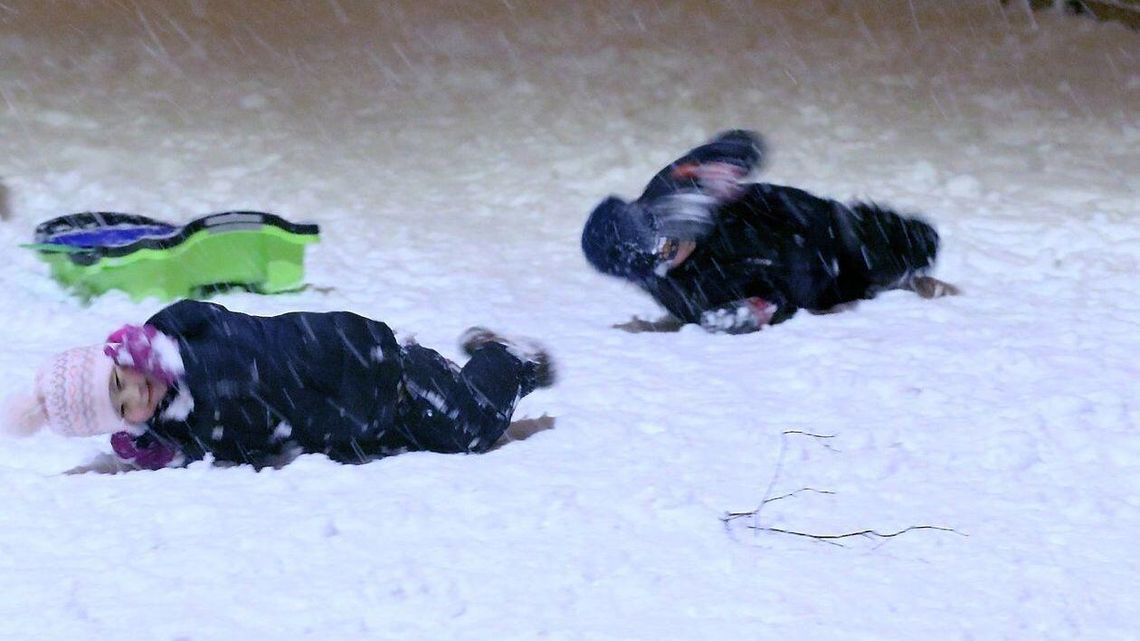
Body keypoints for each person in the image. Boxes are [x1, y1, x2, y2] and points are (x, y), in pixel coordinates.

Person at [2, 299, 555, 470]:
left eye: (123, 380)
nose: (136, 395)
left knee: (474, 429)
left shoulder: (186, 342)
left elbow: (218, 329)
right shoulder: (185, 424)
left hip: (372, 368)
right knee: (438, 438)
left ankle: (509, 358)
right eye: (123, 408)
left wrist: (164, 344)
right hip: (358, 416)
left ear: (127, 358)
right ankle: (448, 363)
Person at [581, 130, 958, 334]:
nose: (675, 244)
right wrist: (755, 312)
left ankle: (899, 269)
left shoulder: (673, 191)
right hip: (827, 282)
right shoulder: (684, 293)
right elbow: (767, 307)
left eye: (662, 232)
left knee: (917, 239)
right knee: (892, 262)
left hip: (820, 224)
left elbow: (744, 144)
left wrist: (717, 172)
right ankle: (893, 282)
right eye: (663, 252)